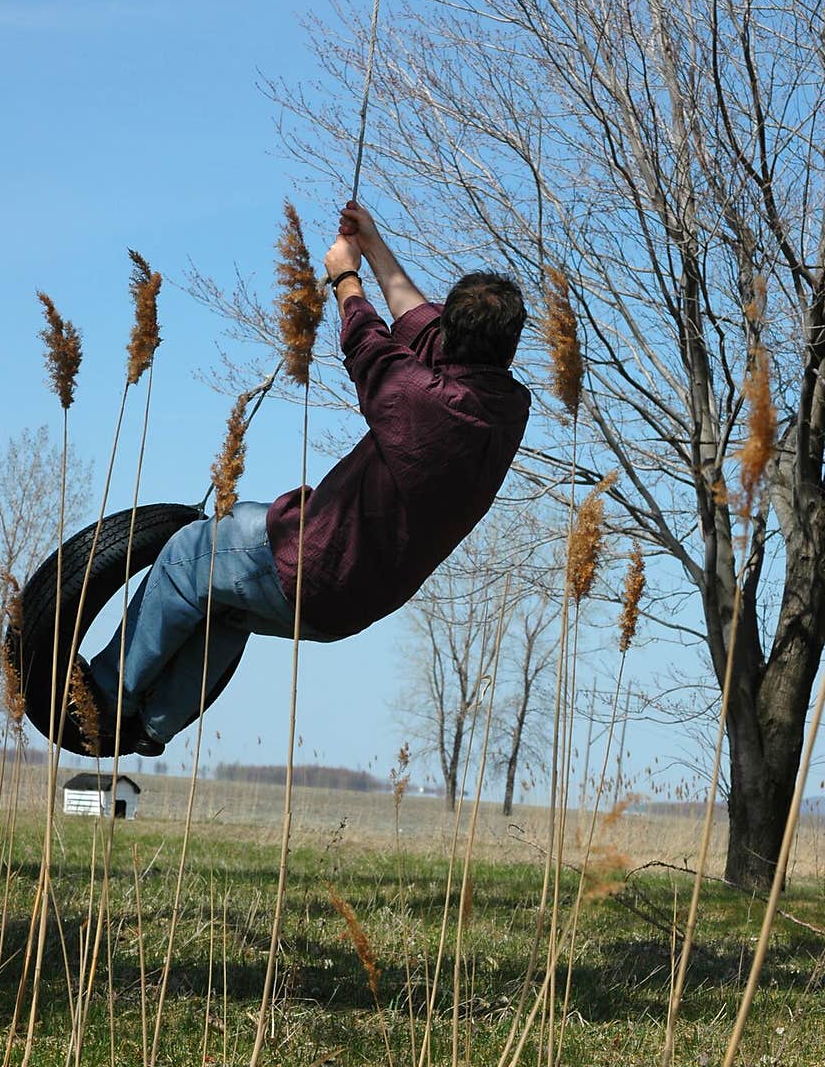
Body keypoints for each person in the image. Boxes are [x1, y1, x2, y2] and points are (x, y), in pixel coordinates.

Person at [81, 200, 531, 756]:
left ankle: (99, 699)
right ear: (508, 346)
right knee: (224, 603)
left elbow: (369, 343)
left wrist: (345, 276)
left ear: (456, 335)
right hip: (353, 604)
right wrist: (372, 246)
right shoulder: (505, 404)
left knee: (187, 555)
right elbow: (419, 322)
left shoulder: (425, 403)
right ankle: (153, 726)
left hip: (316, 564)